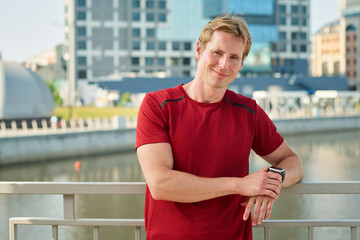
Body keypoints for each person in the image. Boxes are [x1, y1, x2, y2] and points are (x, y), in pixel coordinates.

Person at [135, 13, 304, 240]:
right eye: (217, 53)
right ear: (199, 50)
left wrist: (271, 181)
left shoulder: (248, 112)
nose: (224, 64)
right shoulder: (158, 105)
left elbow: (293, 163)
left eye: (234, 57)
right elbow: (160, 184)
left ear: (242, 64)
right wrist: (240, 185)